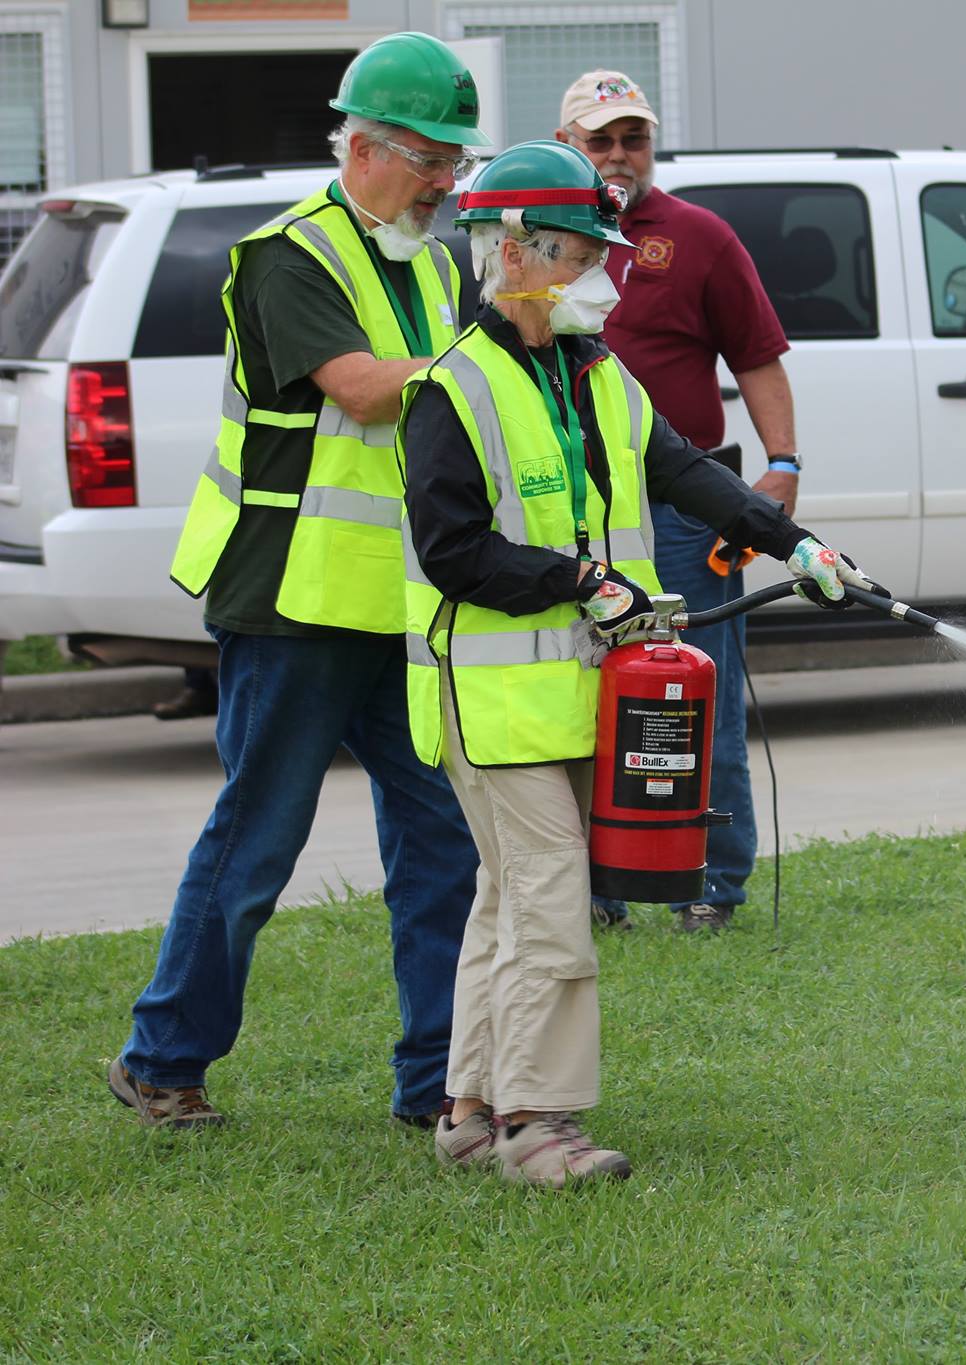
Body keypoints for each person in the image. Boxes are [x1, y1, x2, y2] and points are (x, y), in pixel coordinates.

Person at [397, 141, 870, 1185]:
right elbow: (451, 550)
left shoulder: (592, 377)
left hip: (569, 693)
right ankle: (539, 1125)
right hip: (488, 701)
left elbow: (684, 473)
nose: (602, 279)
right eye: (580, 257)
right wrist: (577, 581)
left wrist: (796, 544)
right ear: (514, 253)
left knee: (507, 901)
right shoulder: (452, 389)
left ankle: (471, 1110)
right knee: (552, 898)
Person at [111, 33, 489, 1131]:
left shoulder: (433, 258)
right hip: (288, 602)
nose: (447, 181)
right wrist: (493, 360)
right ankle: (161, 1059)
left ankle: (433, 1084)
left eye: (456, 161)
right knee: (258, 842)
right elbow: (368, 392)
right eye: (431, 159)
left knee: (442, 844)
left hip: (394, 598)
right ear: (363, 147)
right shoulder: (291, 255)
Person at [554, 70, 797, 934]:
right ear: (567, 146)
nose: (618, 155)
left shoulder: (699, 238)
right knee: (584, 697)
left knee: (707, 695)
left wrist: (784, 462)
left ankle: (716, 887)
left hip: (691, 511)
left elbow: (758, 355)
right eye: (600, 140)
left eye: (634, 138)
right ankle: (598, 891)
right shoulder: (541, 237)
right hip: (577, 513)